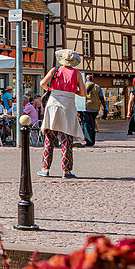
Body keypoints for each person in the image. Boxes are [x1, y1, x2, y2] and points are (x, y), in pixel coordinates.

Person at [37, 49, 86, 178]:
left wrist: (51, 90)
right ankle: (66, 171)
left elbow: (42, 83)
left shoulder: (55, 70)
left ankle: (45, 169)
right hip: (68, 105)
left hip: (53, 103)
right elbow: (83, 93)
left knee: (50, 137)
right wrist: (70, 92)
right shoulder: (77, 73)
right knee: (67, 138)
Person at [80, 79, 106, 147]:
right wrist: (105, 107)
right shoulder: (97, 87)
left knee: (85, 124)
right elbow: (101, 98)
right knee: (92, 124)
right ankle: (92, 140)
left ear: (86, 79)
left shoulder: (83, 86)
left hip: (86, 107)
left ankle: (89, 140)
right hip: (95, 108)